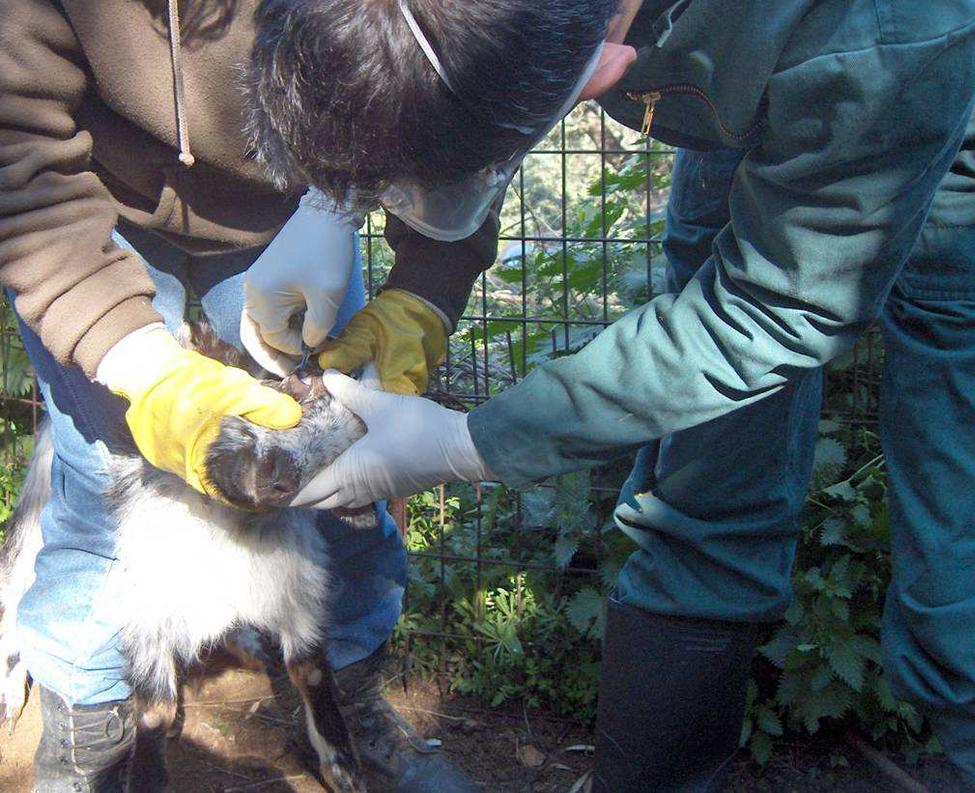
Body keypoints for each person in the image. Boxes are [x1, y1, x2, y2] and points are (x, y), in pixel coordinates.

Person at [291, 0, 975, 790]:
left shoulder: (888, 22)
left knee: (967, 512)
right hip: (724, 86)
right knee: (707, 474)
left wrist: (473, 443)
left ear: (604, 63)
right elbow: (479, 85)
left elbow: (774, 309)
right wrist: (374, 251)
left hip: (942, 82)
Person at [0, 1, 627, 790]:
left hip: (289, 207)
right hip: (89, 208)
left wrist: (414, 289)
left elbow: (467, 116)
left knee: (349, 445)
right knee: (96, 477)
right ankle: (95, 729)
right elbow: (14, 139)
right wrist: (139, 365)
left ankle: (348, 705)